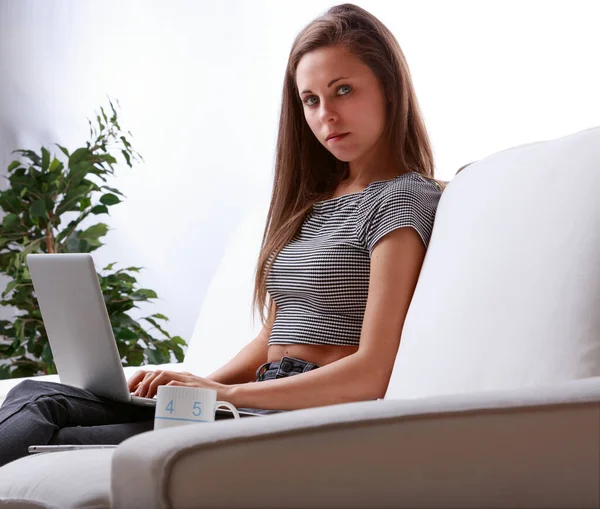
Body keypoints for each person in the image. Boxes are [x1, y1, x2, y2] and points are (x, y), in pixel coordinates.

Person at [0, 2, 445, 468]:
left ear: (390, 91)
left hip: (295, 414)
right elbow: (274, 336)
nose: (325, 115)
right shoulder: (314, 203)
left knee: (47, 419)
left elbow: (373, 372)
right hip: (253, 399)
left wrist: (223, 393)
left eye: (343, 90)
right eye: (310, 100)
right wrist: (193, 387)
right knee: (38, 394)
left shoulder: (401, 199)